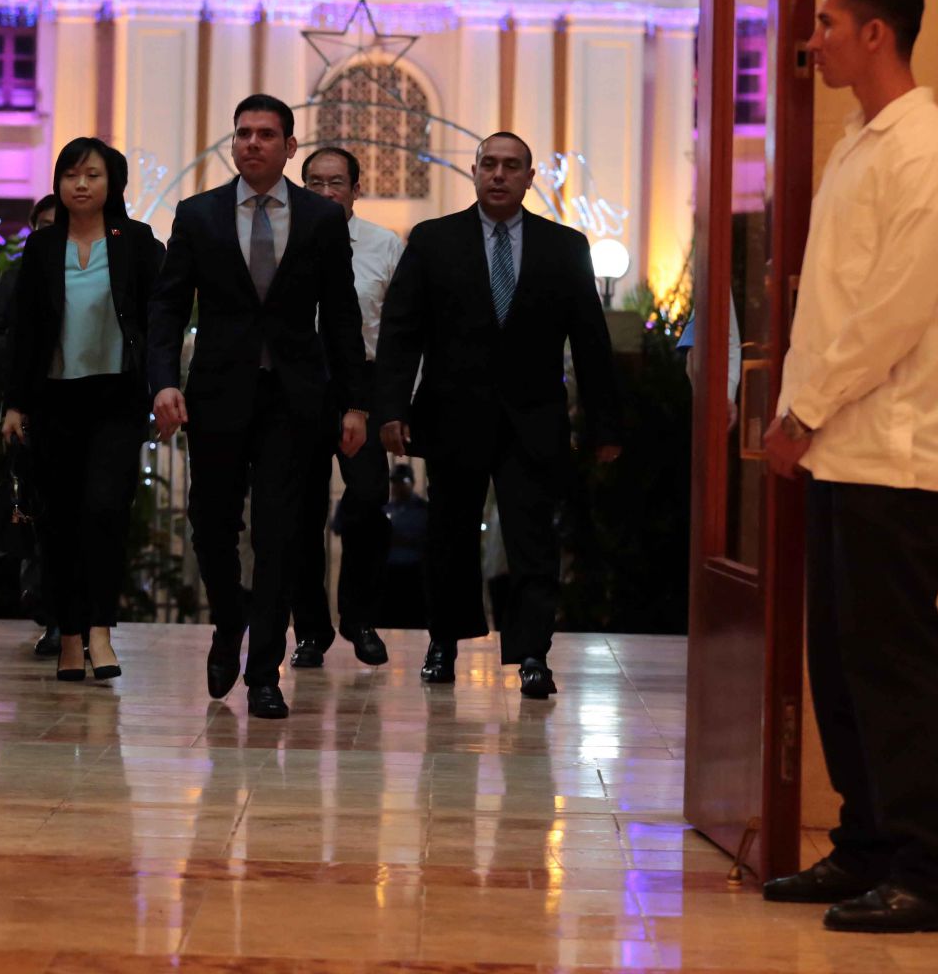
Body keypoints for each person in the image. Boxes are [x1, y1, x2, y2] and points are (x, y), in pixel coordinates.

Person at [759, 0, 938, 934]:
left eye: (828, 23)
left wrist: (800, 409)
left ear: (876, 35)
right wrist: (803, 417)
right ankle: (869, 848)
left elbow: (890, 314)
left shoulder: (930, 154)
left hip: (894, 455)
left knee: (897, 672)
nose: (815, 40)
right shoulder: (862, 141)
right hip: (843, 454)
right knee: (846, 668)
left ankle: (936, 872)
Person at [373, 131, 621, 700]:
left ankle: (532, 652)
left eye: (512, 166)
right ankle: (444, 642)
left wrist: (605, 424)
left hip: (533, 420)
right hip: (453, 416)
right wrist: (391, 408)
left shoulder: (564, 247)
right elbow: (402, 331)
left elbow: (590, 340)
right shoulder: (434, 240)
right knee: (449, 537)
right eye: (490, 164)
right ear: (475, 171)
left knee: (533, 538)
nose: (499, 175)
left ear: (530, 178)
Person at [147, 95, 367, 719]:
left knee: (281, 535)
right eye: (242, 133)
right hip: (217, 393)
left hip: (295, 399)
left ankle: (265, 669)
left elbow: (343, 316)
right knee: (212, 525)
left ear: (289, 148)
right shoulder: (199, 215)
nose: (251, 144)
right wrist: (163, 380)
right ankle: (227, 624)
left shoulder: (322, 221)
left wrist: (354, 403)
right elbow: (167, 308)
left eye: (266, 135)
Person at [2, 138, 164, 681]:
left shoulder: (137, 243)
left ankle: (101, 630)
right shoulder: (43, 247)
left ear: (111, 183)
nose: (80, 184)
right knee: (59, 521)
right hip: (55, 400)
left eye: (92, 174)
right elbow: (24, 331)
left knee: (104, 511)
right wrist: (14, 402)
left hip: (116, 398)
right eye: (70, 174)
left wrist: (164, 386)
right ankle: (69, 636)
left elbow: (158, 324)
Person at [288, 147, 403, 669]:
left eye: (336, 183)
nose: (326, 193)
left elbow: (400, 330)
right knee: (302, 510)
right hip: (303, 381)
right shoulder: (288, 239)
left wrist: (399, 401)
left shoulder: (384, 245)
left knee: (368, 499)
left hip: (367, 383)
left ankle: (359, 617)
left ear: (357, 189)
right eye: (314, 183)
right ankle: (311, 630)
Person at [0, 193, 62, 658]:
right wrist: (23, 365)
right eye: (44, 225)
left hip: (84, 406)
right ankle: (47, 608)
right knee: (34, 507)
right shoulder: (16, 278)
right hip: (29, 409)